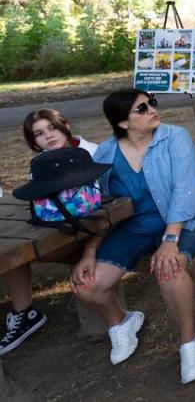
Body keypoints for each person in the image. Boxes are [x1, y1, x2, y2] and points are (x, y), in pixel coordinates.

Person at [71, 89, 195, 384]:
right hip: (135, 227)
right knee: (86, 286)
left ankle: (189, 342)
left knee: (170, 270)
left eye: (151, 103)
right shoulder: (106, 154)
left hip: (187, 221)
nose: (152, 109)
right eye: (141, 108)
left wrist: (169, 241)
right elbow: (101, 207)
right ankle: (122, 321)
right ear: (123, 123)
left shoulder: (175, 137)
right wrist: (89, 251)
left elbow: (185, 191)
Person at [0, 110, 101, 356]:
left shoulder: (94, 152)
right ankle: (24, 313)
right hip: (60, 229)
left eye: (52, 128)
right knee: (9, 248)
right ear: (34, 142)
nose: (48, 136)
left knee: (17, 251)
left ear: (65, 125)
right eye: (39, 134)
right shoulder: (41, 165)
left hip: (97, 229)